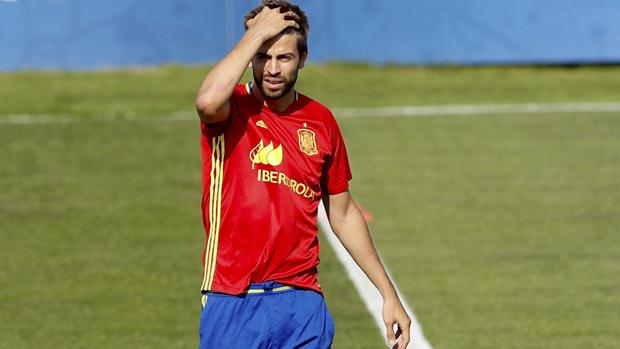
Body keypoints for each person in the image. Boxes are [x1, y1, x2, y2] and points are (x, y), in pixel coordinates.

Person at [194, 1, 411, 348]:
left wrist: (388, 293)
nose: (272, 69)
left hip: (301, 302)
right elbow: (206, 102)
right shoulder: (230, 107)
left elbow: (342, 212)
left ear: (303, 59)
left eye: (284, 57)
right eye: (263, 56)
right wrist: (257, 34)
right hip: (232, 295)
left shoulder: (321, 121)